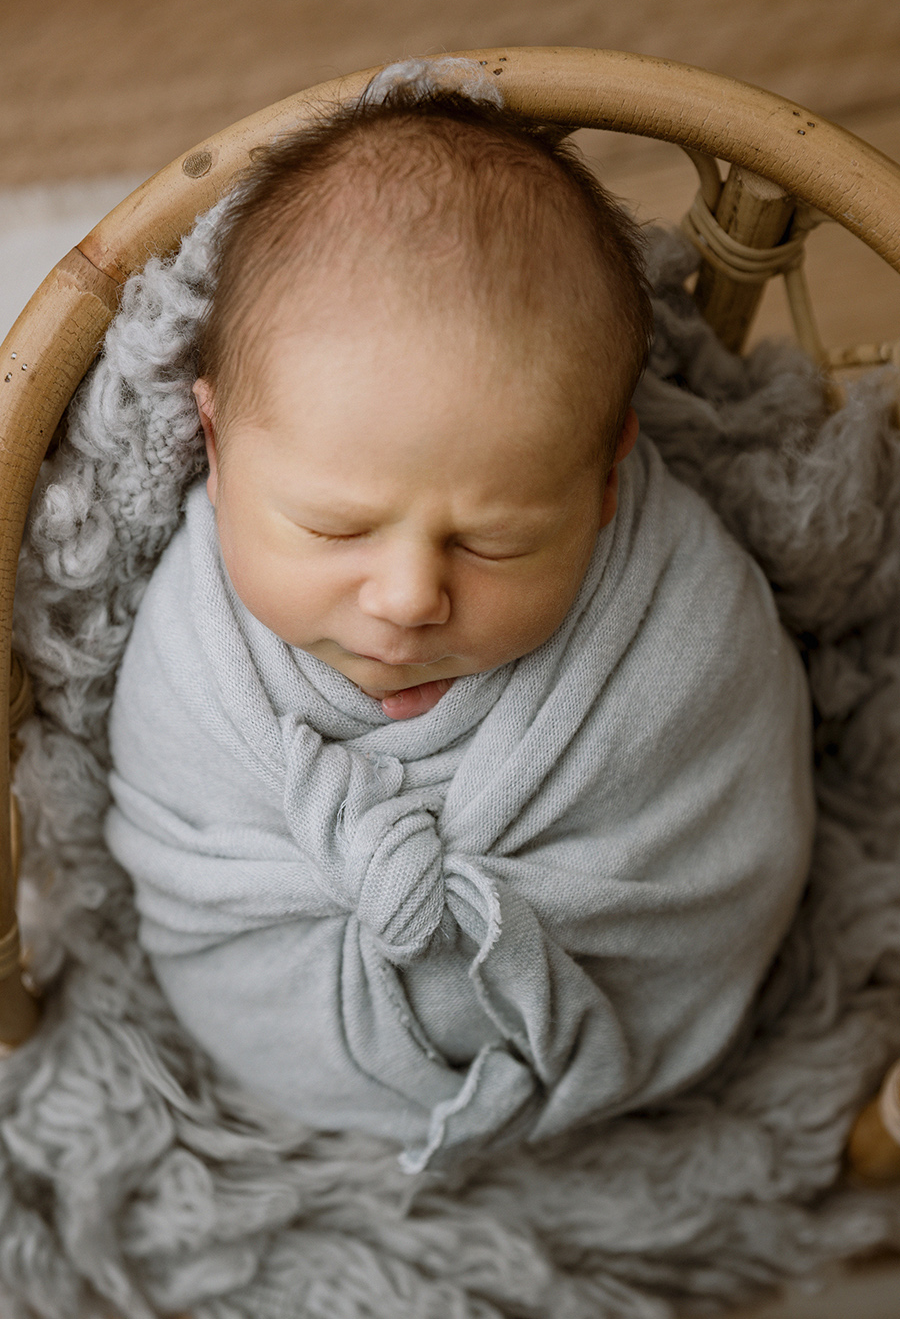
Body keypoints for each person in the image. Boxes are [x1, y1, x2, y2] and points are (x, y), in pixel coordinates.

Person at [105, 60, 814, 1172]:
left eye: (496, 542)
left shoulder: (676, 610)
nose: (409, 599)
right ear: (214, 442)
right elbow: (174, 847)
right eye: (336, 531)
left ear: (607, 483)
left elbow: (729, 834)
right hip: (286, 1052)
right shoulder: (198, 651)